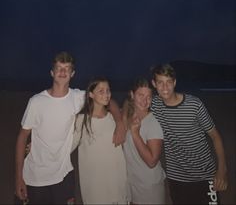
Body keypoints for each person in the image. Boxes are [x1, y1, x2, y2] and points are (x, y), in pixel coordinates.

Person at [15, 52, 125, 205]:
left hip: (64, 174)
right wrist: (19, 177)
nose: (62, 72)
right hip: (36, 176)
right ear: (52, 72)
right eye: (59, 68)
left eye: (67, 68)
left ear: (72, 74)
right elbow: (22, 137)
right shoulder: (36, 102)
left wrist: (119, 122)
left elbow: (108, 100)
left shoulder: (77, 97)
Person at [151, 63, 228, 205]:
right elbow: (131, 102)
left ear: (174, 82)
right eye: (160, 83)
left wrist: (222, 170)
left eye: (168, 82)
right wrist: (121, 121)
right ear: (154, 84)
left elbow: (215, 137)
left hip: (205, 175)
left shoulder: (194, 105)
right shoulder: (155, 104)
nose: (165, 87)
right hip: (176, 178)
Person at [71, 77, 128, 204]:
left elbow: (128, 104)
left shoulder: (114, 118)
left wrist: (120, 122)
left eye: (108, 90)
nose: (106, 94)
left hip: (116, 181)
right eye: (101, 91)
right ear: (91, 94)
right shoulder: (81, 120)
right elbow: (67, 147)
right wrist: (40, 148)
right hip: (94, 186)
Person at [122, 77, 166, 205]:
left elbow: (152, 161)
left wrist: (136, 134)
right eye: (140, 95)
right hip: (133, 183)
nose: (145, 100)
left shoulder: (153, 123)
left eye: (149, 96)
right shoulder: (128, 116)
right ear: (132, 95)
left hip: (149, 186)